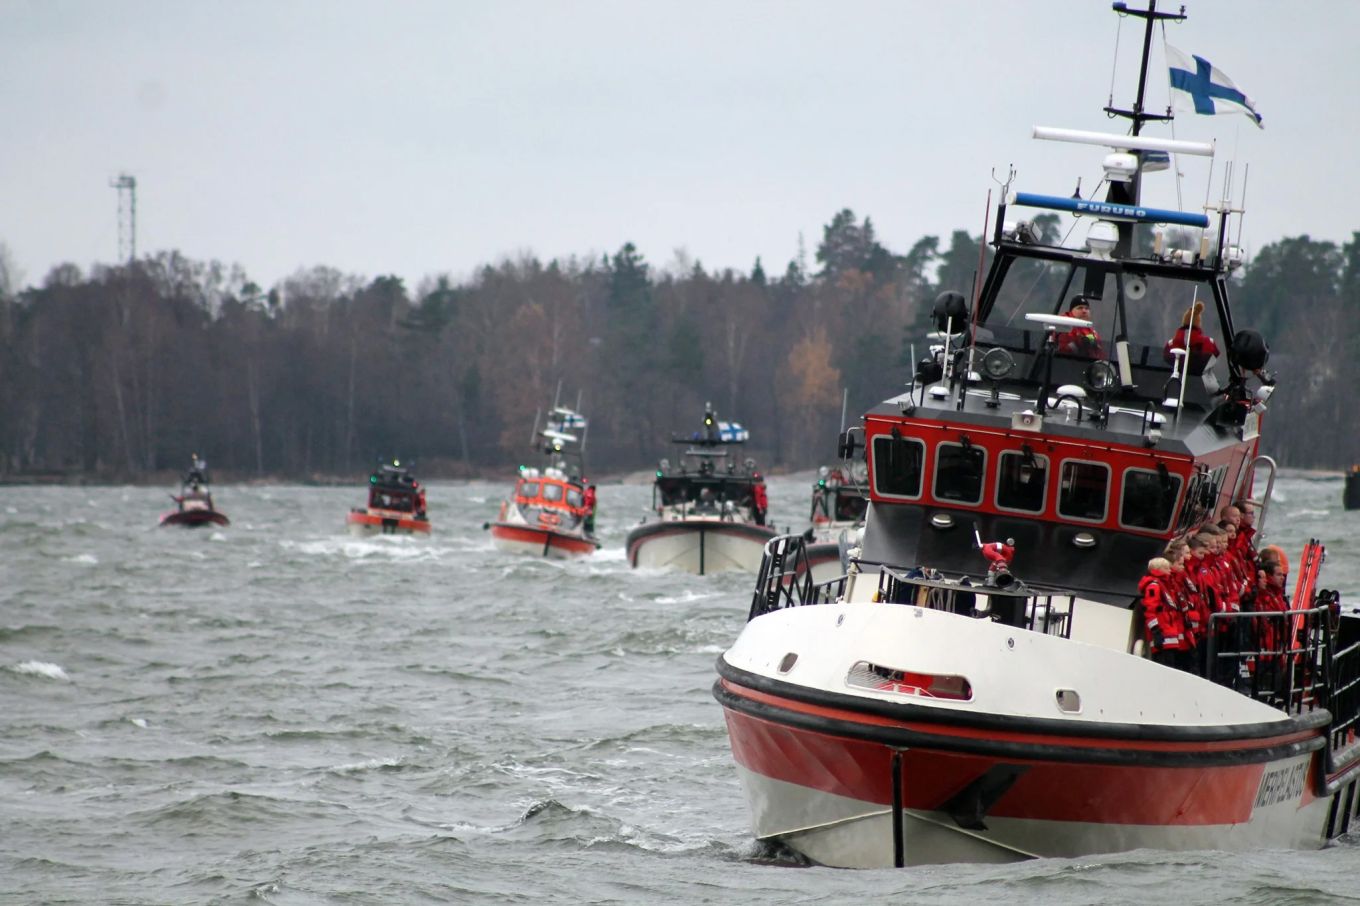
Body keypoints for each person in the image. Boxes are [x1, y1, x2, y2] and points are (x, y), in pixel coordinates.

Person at [1139, 557, 1188, 669]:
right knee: (1165, 665)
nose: (1170, 570)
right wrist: (1156, 631)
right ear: (1158, 569)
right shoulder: (1154, 586)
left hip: (1170, 633)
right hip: (1162, 634)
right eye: (1166, 568)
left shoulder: (1166, 585)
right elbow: (1150, 610)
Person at [1164, 301, 1220, 375]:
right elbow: (1215, 354)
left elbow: (1166, 358)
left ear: (1184, 321)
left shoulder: (1170, 344)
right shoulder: (1208, 343)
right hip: (1201, 380)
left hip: (1175, 380)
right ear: (1198, 323)